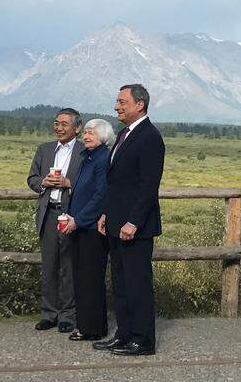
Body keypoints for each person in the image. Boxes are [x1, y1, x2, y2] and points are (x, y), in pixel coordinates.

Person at [93, 84, 165, 356]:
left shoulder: (149, 137)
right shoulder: (125, 134)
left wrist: (133, 222)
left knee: (138, 284)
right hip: (115, 222)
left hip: (136, 227)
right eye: (117, 101)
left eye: (122, 101)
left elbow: (148, 186)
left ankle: (143, 340)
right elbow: (116, 184)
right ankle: (123, 335)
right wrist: (106, 214)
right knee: (121, 284)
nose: (116, 106)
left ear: (140, 105)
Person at [27, 108, 84, 333]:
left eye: (64, 124)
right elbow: (31, 179)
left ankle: (69, 316)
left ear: (77, 128)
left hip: (71, 215)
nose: (58, 128)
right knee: (49, 267)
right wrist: (44, 182)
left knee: (69, 267)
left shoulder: (85, 151)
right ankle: (49, 314)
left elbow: (93, 182)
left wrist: (69, 184)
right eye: (56, 123)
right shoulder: (44, 150)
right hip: (49, 214)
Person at [59, 119, 115, 341]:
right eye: (87, 132)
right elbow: (81, 189)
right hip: (80, 224)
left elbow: (101, 195)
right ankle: (87, 325)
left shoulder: (102, 159)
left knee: (90, 279)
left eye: (91, 133)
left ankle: (91, 329)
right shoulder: (88, 157)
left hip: (91, 229)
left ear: (103, 137)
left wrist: (78, 220)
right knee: (81, 278)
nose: (86, 136)